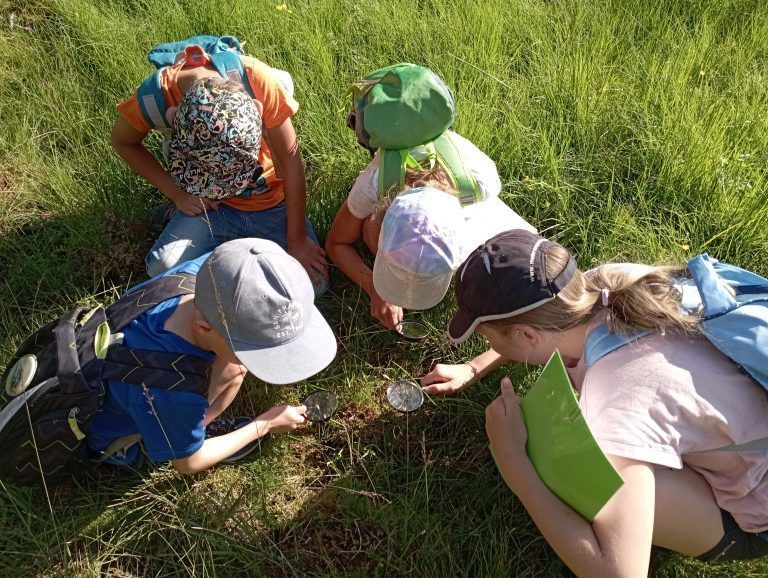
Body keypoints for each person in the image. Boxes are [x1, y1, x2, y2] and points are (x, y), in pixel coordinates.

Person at [441, 229, 768, 572]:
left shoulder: (615, 403)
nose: (489, 345)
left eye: (488, 337)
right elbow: (540, 329)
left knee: (567, 462)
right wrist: (473, 366)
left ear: (525, 335)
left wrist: (515, 463)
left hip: (755, 517)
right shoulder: (612, 285)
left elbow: (619, 573)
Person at [86, 237, 337, 474]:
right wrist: (265, 424)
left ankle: (187, 428)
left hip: (119, 368)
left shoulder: (210, 274)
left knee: (233, 368)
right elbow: (187, 464)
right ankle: (187, 435)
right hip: (123, 441)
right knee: (234, 371)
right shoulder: (173, 391)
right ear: (205, 327)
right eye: (254, 348)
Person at [326, 64, 534, 328]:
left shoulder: (480, 178)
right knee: (367, 227)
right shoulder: (375, 182)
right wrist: (374, 287)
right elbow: (337, 242)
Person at [111, 41, 327, 290]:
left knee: (315, 285)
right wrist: (178, 194)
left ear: (257, 111)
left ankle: (222, 258)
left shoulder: (258, 81)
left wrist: (297, 239)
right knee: (162, 269)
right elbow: (122, 141)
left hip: (272, 203)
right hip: (212, 207)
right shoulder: (155, 98)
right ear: (172, 118)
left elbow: (290, 158)